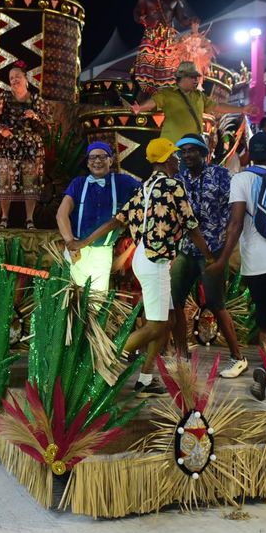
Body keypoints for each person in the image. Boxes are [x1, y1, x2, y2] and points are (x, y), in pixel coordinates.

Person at [71, 138, 215, 397]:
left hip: (143, 259)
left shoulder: (143, 188)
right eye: (174, 155)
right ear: (165, 160)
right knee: (156, 326)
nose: (177, 159)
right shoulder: (173, 186)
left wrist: (84, 241)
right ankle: (103, 361)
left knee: (167, 321)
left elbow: (116, 221)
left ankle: (146, 380)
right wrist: (209, 256)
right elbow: (191, 226)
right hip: (156, 262)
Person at [208, 131, 266, 401]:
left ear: (249, 153)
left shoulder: (242, 179)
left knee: (265, 321)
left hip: (258, 264)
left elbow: (236, 223)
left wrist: (223, 259)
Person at [169, 134, 246, 378]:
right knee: (175, 301)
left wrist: (223, 240)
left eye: (192, 150)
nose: (187, 155)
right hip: (186, 249)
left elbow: (234, 207)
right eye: (184, 151)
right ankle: (182, 354)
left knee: (215, 302)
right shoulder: (178, 179)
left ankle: (238, 356)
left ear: (204, 153)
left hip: (212, 250)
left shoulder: (220, 175)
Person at [55, 141, 140, 295]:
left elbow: (145, 194)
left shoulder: (123, 182)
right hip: (76, 251)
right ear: (87, 163)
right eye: (92, 158)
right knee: (73, 300)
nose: (97, 161)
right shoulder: (78, 183)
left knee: (96, 301)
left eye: (102, 157)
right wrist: (70, 242)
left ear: (111, 161)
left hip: (102, 252)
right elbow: (62, 214)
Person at [0, 65, 48, 229]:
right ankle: (4, 218)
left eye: (17, 76)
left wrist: (34, 116)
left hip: (30, 147)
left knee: (30, 182)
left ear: (26, 79)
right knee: (5, 180)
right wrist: (1, 130)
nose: (14, 80)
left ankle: (29, 219)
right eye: (11, 78)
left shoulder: (36, 100)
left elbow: (48, 123)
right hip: (8, 146)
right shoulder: (3, 98)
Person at [131, 0, 198, 91]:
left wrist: (191, 21)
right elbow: (136, 13)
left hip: (168, 40)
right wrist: (143, 19)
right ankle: (145, 96)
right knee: (146, 72)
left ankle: (165, 98)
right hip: (150, 37)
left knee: (169, 73)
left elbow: (182, 19)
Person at [131, 62, 217, 145]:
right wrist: (139, 108)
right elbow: (154, 102)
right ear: (183, 77)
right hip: (172, 146)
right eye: (193, 77)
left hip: (193, 146)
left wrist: (230, 109)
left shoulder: (199, 95)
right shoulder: (167, 93)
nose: (196, 80)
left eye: (196, 77)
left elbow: (217, 106)